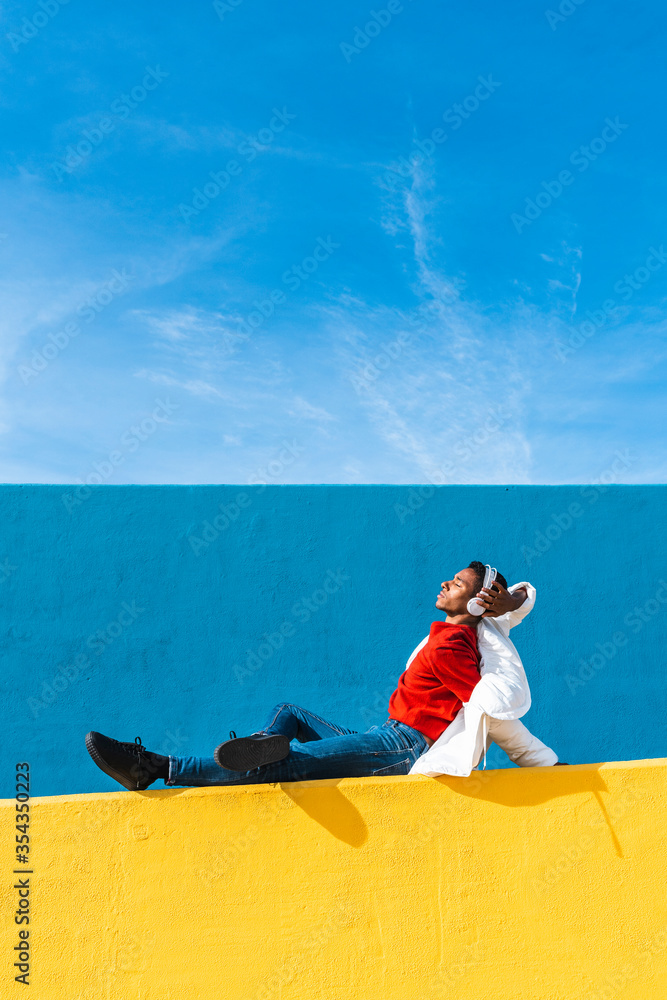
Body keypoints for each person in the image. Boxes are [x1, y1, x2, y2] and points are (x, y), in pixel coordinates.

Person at [85, 561, 562, 791]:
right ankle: (266, 742)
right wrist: (514, 599)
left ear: (476, 603)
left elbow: (491, 712)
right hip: (387, 734)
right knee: (289, 712)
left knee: (286, 766)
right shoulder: (457, 633)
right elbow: (519, 598)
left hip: (401, 746)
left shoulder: (454, 644)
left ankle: (156, 767)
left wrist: (542, 763)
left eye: (456, 584)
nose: (445, 583)